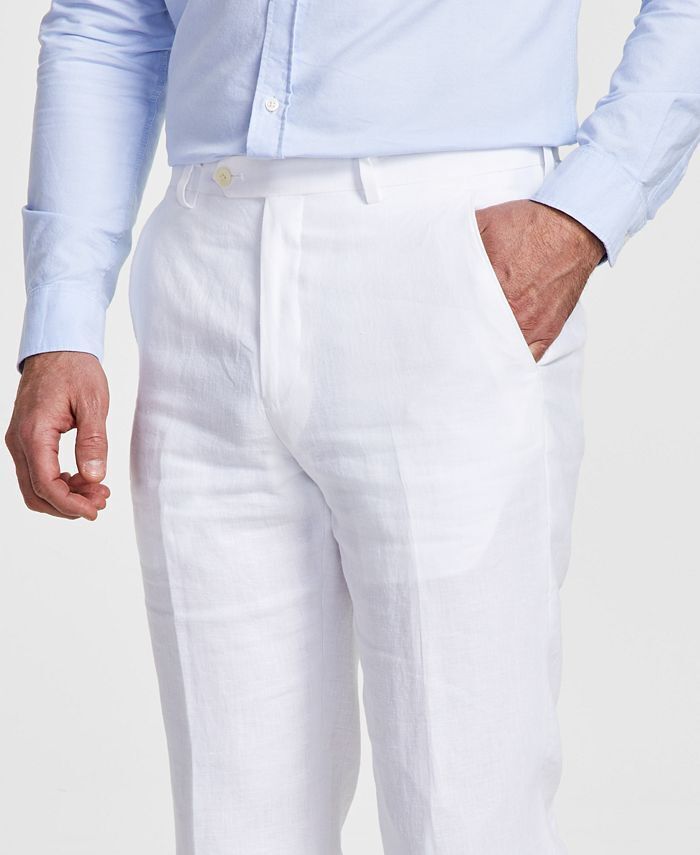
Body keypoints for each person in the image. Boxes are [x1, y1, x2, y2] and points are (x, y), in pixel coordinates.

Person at [5, 1, 699, 852]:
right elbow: (108, 18)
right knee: (232, 821)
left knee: (465, 810)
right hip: (205, 260)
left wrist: (587, 210)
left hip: (450, 253)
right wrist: (63, 318)